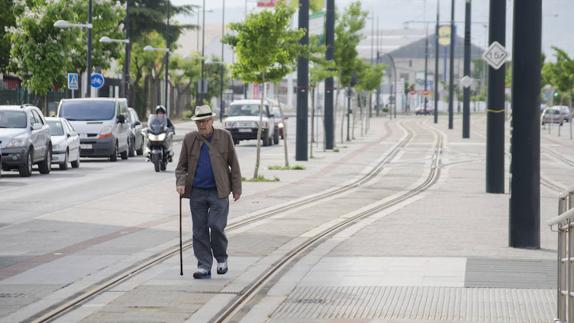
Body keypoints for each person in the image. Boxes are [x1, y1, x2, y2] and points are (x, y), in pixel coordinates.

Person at [175, 105, 242, 279]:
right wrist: (181, 183)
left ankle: (221, 258)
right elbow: (181, 167)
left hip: (219, 191)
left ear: (212, 121)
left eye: (205, 121)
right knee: (199, 230)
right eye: (199, 121)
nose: (202, 124)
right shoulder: (190, 139)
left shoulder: (224, 137)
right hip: (196, 192)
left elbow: (233, 164)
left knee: (216, 225)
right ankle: (204, 265)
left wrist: (236, 188)